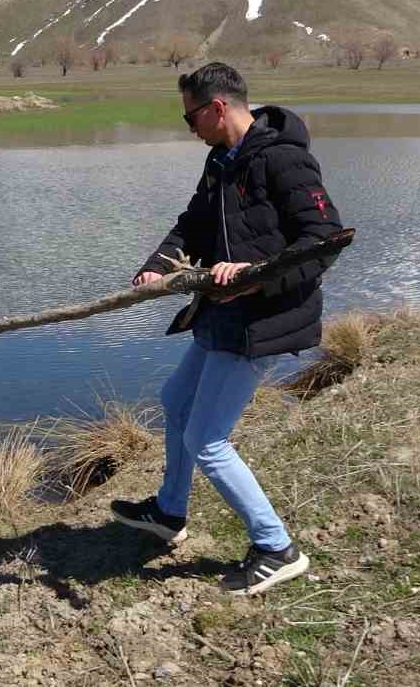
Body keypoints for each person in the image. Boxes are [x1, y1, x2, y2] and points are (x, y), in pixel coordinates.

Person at [111, 61, 344, 596]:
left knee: (208, 439)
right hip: (222, 313)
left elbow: (324, 240)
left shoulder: (284, 160)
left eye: (190, 116)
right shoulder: (221, 160)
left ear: (217, 108)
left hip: (263, 319)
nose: (187, 127)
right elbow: (191, 224)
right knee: (176, 403)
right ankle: (169, 511)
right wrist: (158, 264)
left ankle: (276, 547)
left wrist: (256, 278)